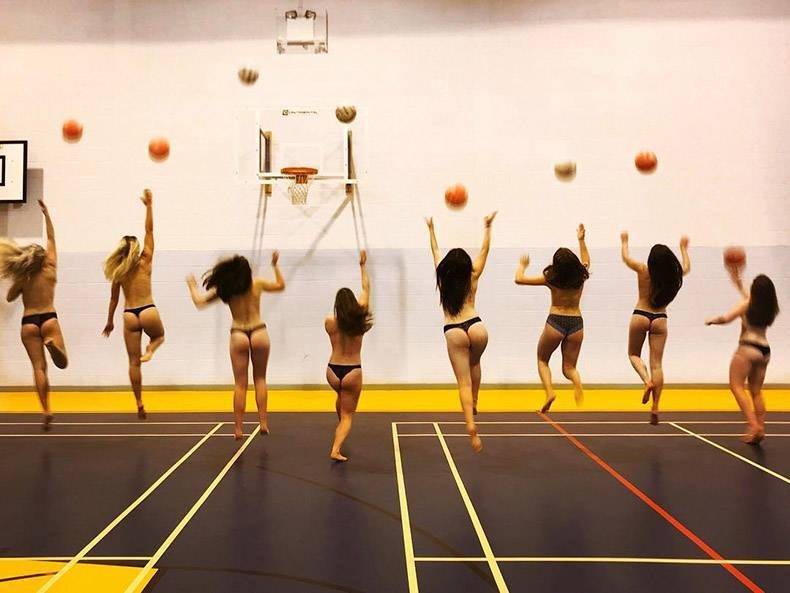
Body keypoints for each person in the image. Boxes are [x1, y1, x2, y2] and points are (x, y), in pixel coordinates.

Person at [187, 252, 284, 440]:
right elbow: (280, 285)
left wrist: (191, 286)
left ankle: (238, 429)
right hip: (259, 331)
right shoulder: (257, 284)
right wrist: (275, 265)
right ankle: (263, 423)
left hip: (238, 333)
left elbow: (199, 302)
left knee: (240, 384)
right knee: (260, 379)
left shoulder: (227, 289)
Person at [426, 212, 496, 452]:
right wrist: (487, 228)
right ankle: (475, 400)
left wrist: (431, 229)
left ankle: (471, 427)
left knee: (463, 382)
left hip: (454, 329)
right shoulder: (472, 274)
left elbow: (435, 251)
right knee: (475, 363)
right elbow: (484, 251)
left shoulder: (442, 275)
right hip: (476, 325)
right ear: (466, 266)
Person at [0, 200, 67, 430]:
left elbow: (10, 298)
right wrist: (47, 215)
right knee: (62, 363)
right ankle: (53, 345)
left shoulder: (24, 278)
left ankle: (46, 409)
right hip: (49, 317)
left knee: (39, 368)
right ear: (43, 259)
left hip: (28, 322)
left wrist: (18, 283)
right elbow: (52, 239)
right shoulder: (50, 269)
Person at [102, 189, 165, 419]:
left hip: (129, 314)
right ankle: (150, 350)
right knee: (159, 337)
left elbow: (114, 299)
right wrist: (149, 206)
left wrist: (109, 321)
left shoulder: (119, 271)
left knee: (132, 362)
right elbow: (149, 230)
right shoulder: (145, 261)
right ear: (136, 249)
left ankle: (139, 402)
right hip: (147, 309)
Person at [515, 224, 590, 413]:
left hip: (556, 321)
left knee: (542, 359)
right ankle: (577, 381)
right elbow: (586, 260)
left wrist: (522, 266)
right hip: (576, 323)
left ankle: (549, 392)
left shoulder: (551, 278)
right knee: (569, 368)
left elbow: (519, 279)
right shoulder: (581, 275)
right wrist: (581, 240)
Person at [620, 233, 690, 424]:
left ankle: (646, 381)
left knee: (633, 354)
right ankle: (656, 406)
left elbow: (626, 258)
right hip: (660, 318)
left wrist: (625, 241)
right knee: (657, 364)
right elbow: (686, 267)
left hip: (640, 314)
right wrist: (683, 248)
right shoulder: (673, 276)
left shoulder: (643, 270)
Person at [706, 264, 778, 444]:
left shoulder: (747, 304)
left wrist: (712, 320)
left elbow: (726, 318)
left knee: (736, 386)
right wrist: (738, 281)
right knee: (756, 392)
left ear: (754, 291)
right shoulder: (769, 307)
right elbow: (748, 297)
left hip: (747, 348)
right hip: (764, 350)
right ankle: (760, 428)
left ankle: (753, 425)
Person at [325, 250, 373, 462]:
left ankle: (340, 428)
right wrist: (362, 265)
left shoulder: (329, 322)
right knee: (347, 416)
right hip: (352, 371)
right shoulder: (359, 320)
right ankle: (335, 449)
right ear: (353, 302)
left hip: (332, 371)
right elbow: (366, 289)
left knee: (341, 398)